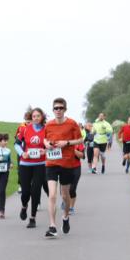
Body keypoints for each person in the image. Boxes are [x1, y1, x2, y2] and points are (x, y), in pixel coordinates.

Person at [43, 97, 84, 237]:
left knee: (65, 196)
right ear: (53, 110)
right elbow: (44, 138)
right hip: (51, 163)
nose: (58, 110)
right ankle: (52, 226)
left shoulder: (72, 123)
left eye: (60, 108)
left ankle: (65, 217)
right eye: (56, 108)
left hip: (67, 163)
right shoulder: (48, 125)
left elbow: (80, 139)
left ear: (65, 109)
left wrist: (66, 143)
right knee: (52, 195)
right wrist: (46, 144)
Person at [16, 107, 49, 228]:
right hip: (25, 164)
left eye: (38, 116)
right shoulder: (25, 130)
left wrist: (44, 151)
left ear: (42, 117)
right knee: (25, 192)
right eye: (34, 116)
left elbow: (51, 145)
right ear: (31, 117)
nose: (35, 118)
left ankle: (32, 218)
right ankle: (24, 206)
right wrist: (22, 153)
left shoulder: (46, 130)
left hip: (40, 165)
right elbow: (17, 144)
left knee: (36, 191)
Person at [14, 108, 33, 193]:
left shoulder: (36, 128)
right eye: (26, 121)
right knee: (20, 168)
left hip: (32, 151)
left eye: (29, 121)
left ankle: (32, 184)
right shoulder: (21, 127)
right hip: (22, 151)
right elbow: (16, 139)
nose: (27, 123)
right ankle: (21, 185)